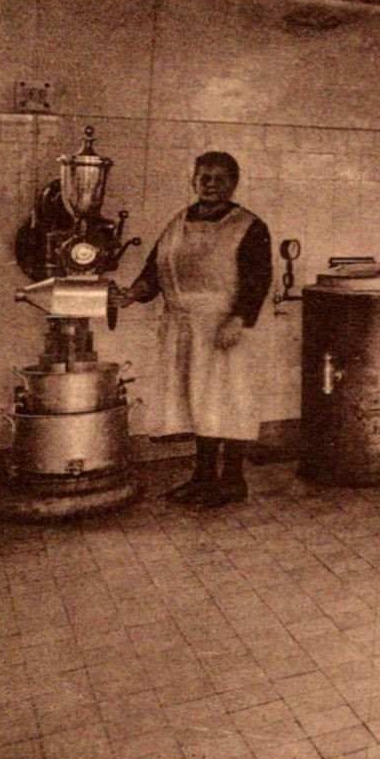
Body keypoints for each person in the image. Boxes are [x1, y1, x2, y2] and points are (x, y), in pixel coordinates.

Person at [113, 151, 272, 508]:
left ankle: (232, 480)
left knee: (228, 402)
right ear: (193, 180)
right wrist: (133, 293)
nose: (211, 184)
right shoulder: (179, 221)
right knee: (197, 402)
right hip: (184, 328)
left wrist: (238, 320)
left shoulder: (248, 226)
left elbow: (258, 280)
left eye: (219, 178)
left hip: (227, 329)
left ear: (233, 183)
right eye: (204, 177)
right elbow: (156, 268)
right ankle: (202, 477)